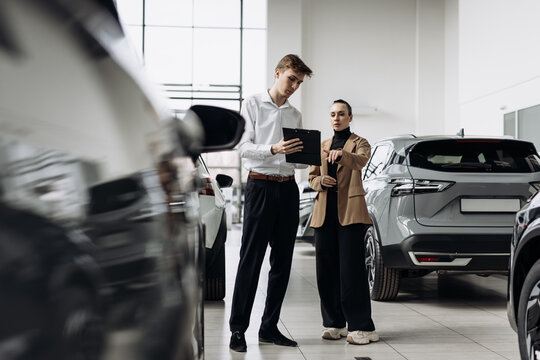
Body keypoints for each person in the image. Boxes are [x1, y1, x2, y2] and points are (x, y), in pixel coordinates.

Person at [228, 54, 313, 352]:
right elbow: (243, 148)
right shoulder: (251, 104)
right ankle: (238, 329)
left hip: (288, 189)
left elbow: (299, 166)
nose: (293, 86)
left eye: (299, 83)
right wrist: (275, 148)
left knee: (282, 262)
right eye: (291, 79)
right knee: (250, 260)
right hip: (260, 187)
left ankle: (269, 327)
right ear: (277, 73)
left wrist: (306, 158)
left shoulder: (295, 115)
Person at [308, 99, 379, 345]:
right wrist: (320, 182)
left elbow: (360, 162)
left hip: (350, 212)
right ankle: (334, 323)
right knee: (325, 272)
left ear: (350, 117)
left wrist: (342, 156)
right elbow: (312, 176)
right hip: (324, 213)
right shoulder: (322, 145)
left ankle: (363, 327)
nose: (336, 118)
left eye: (341, 114)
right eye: (332, 114)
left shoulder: (360, 143)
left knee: (352, 272)